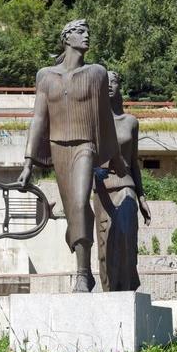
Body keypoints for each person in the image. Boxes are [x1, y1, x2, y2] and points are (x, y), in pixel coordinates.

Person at [18, 20, 124, 292]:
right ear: (66, 37)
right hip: (58, 148)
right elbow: (39, 119)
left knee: (78, 201)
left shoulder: (97, 73)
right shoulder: (45, 76)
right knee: (73, 209)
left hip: (85, 145)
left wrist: (114, 156)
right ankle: (81, 250)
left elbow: (105, 117)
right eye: (80, 31)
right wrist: (29, 162)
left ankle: (82, 273)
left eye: (88, 31)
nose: (87, 35)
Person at [93, 71, 151, 292]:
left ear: (119, 87)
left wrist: (142, 197)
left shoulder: (131, 122)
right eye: (104, 83)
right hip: (101, 188)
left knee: (126, 235)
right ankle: (109, 292)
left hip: (126, 185)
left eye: (113, 82)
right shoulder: (95, 122)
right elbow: (85, 154)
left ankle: (126, 288)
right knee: (105, 243)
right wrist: (95, 169)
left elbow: (134, 162)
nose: (109, 85)